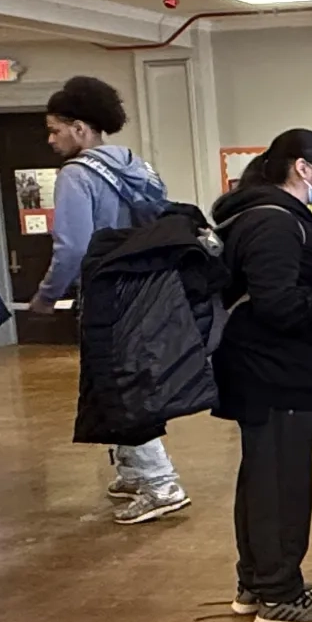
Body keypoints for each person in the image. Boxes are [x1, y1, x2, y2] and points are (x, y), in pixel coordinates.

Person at [211, 129, 312, 622]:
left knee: (262, 477)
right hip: (277, 372)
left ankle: (256, 584)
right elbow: (279, 306)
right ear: (303, 167)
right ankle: (281, 595)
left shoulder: (257, 216)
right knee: (281, 482)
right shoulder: (274, 223)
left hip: (267, 370)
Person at [29, 76, 187, 525]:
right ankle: (135, 471)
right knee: (122, 377)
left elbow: (73, 248)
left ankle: (161, 481)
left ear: (81, 128)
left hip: (105, 291)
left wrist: (46, 296)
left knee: (120, 384)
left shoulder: (77, 175)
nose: (51, 138)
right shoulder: (134, 165)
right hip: (142, 286)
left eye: (55, 129)